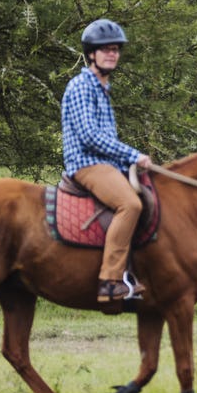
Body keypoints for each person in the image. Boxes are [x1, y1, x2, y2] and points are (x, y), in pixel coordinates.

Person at [61, 19, 153, 302]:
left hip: (104, 164)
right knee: (130, 204)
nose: (111, 54)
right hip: (87, 164)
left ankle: (133, 272)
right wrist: (133, 155)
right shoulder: (81, 86)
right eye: (105, 49)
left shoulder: (102, 88)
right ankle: (110, 282)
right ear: (91, 54)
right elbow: (89, 136)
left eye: (115, 49)